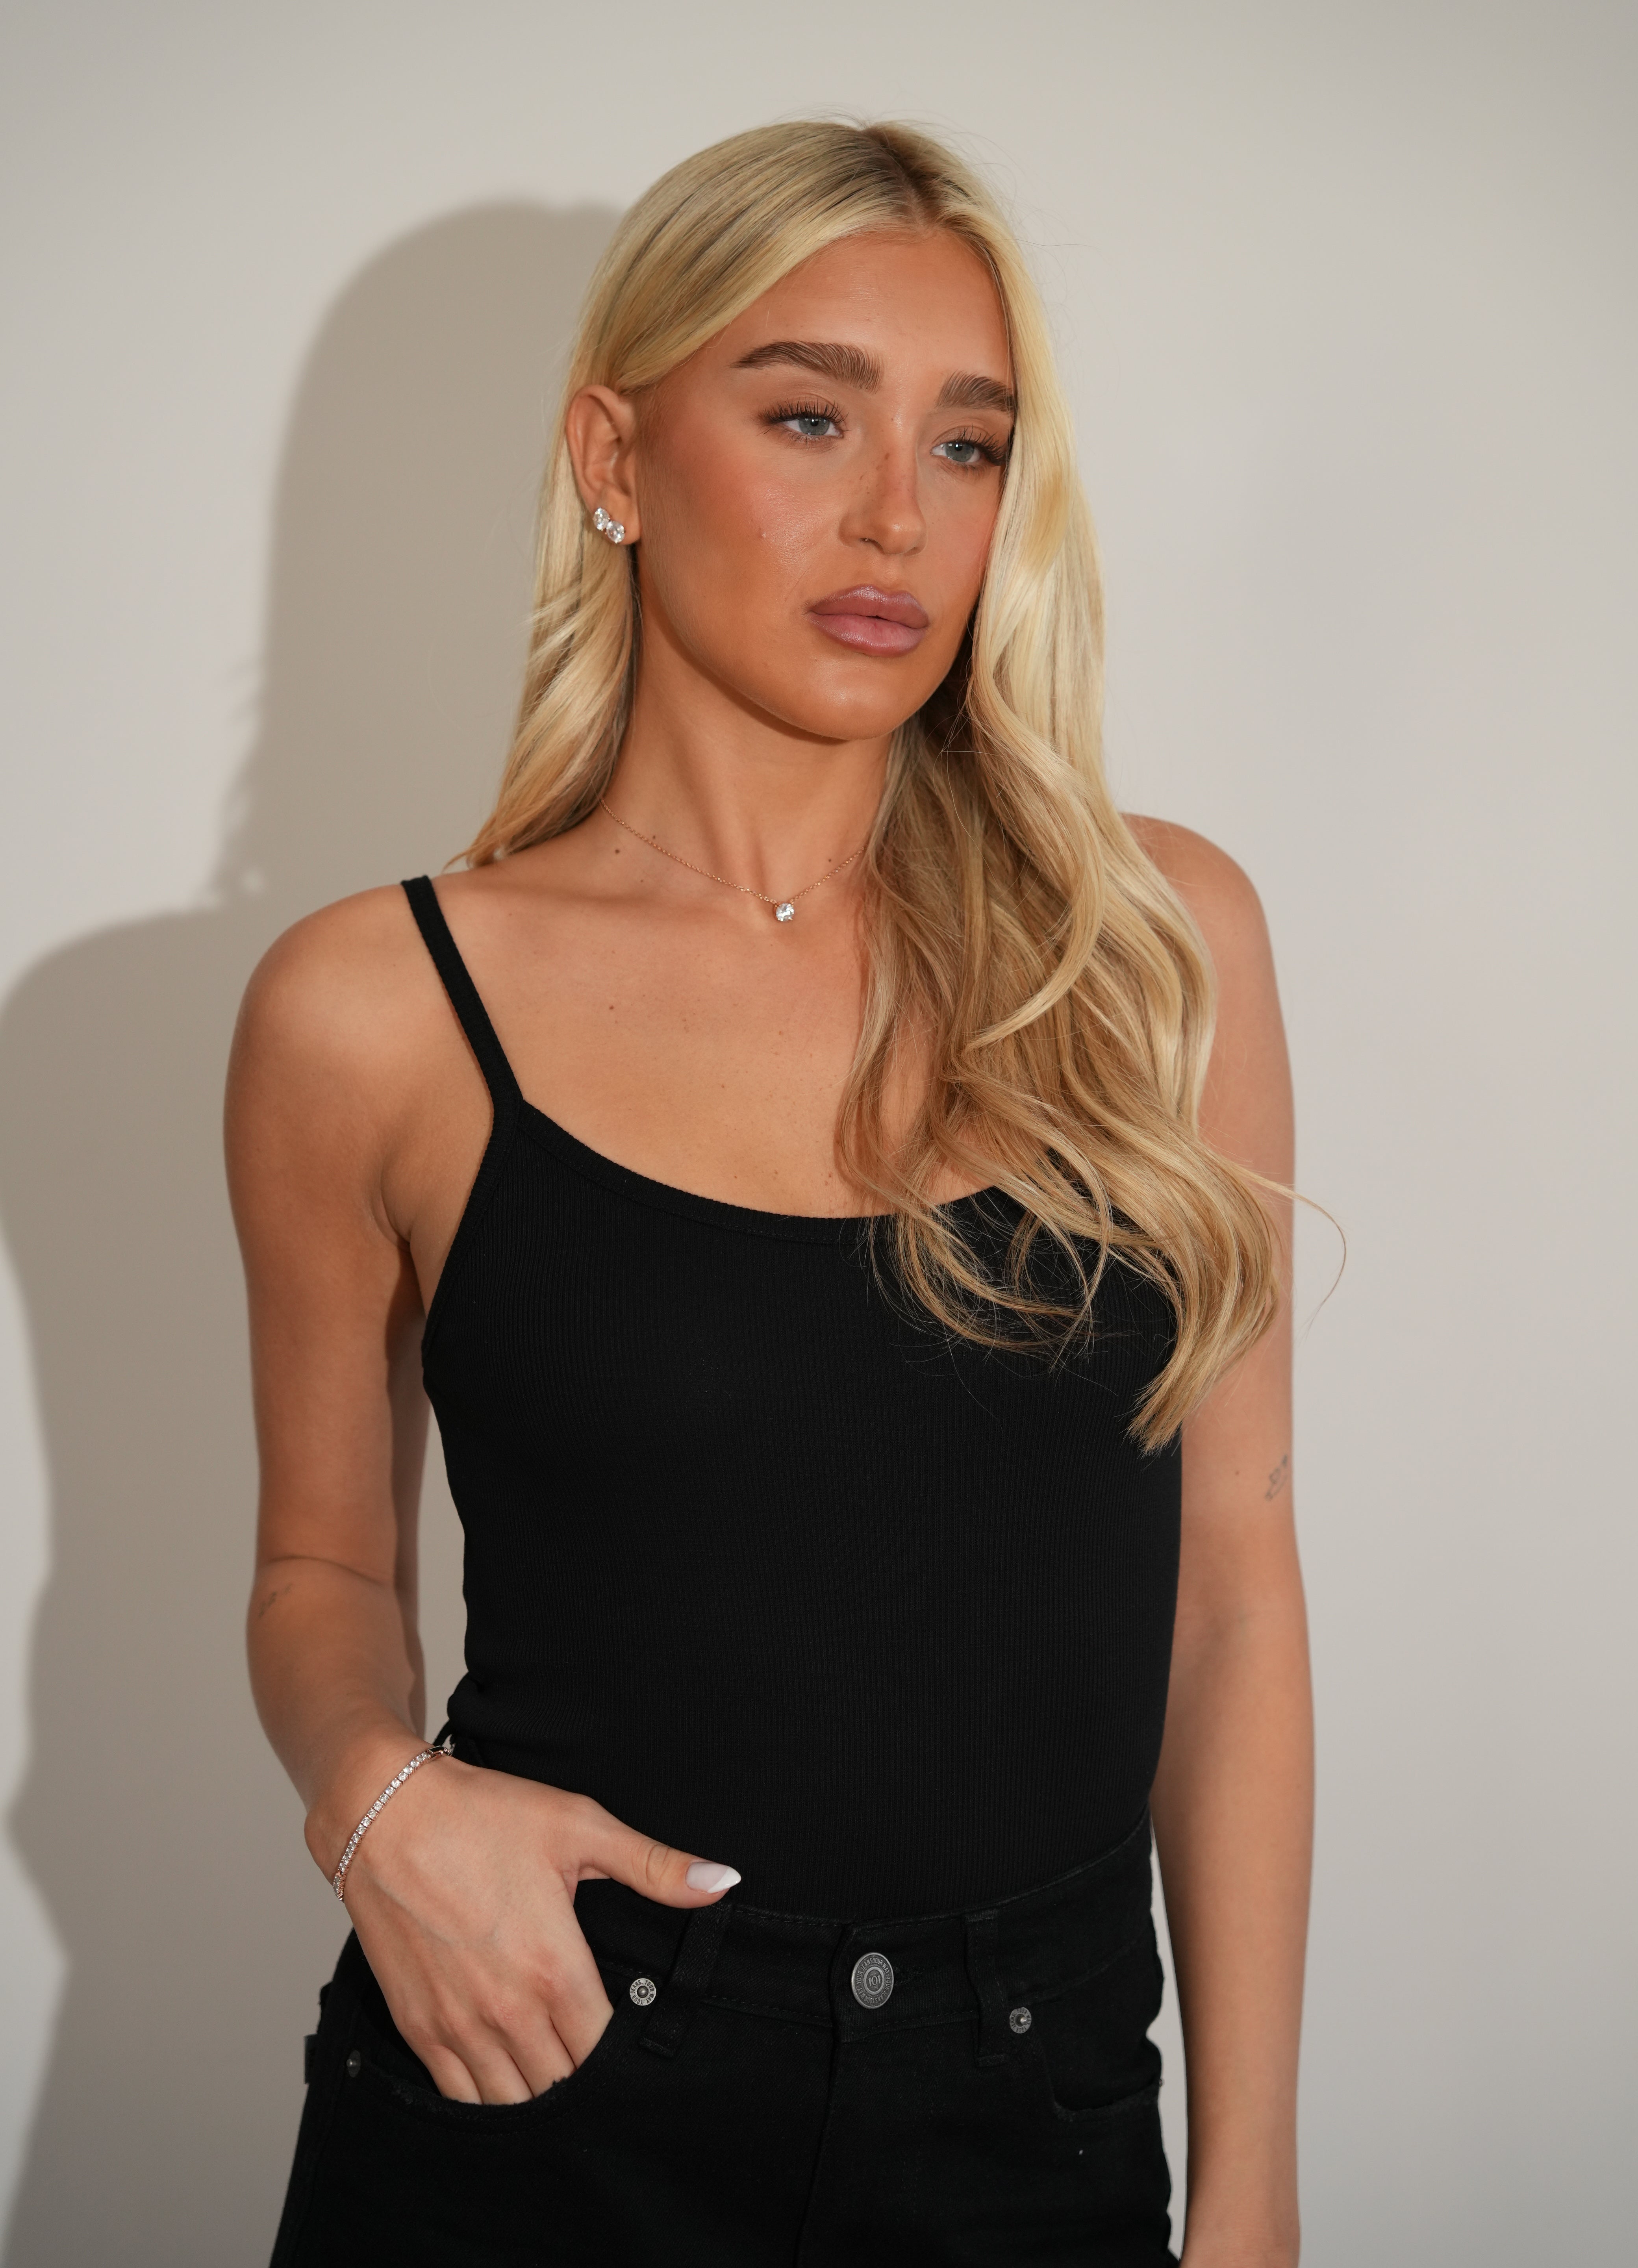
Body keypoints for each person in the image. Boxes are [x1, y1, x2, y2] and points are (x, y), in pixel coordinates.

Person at [229, 120, 1312, 2268]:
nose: (899, 514)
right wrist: (378, 1807)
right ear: (614, 458)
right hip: (542, 2082)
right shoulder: (379, 1010)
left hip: (1038, 2119)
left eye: (969, 445)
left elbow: (1232, 1593)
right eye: (811, 416)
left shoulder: (1152, 950)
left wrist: (1254, 2188)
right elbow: (320, 1565)